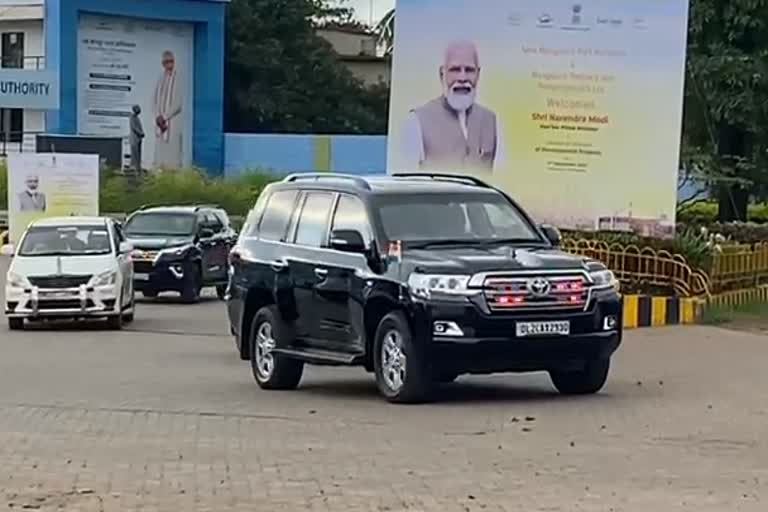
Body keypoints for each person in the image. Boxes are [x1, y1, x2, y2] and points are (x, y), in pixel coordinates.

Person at [399, 40, 505, 173]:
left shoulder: (492, 120)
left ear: (478, 74)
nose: (462, 78)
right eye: (455, 70)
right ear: (442, 74)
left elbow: (500, 178)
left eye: (469, 70)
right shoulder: (417, 121)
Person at [153, 50, 184, 169]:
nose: (169, 64)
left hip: (173, 122)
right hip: (160, 123)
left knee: (173, 157)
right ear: (163, 64)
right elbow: (154, 99)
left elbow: (178, 103)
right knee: (160, 155)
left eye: (171, 61)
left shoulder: (178, 78)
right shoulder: (160, 79)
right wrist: (158, 116)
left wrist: (165, 117)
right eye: (166, 62)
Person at [129, 104, 145, 173]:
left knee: (138, 154)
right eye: (138, 109)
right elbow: (134, 127)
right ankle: (134, 167)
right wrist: (140, 133)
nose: (139, 110)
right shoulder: (132, 117)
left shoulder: (137, 118)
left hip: (139, 139)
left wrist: (142, 133)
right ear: (135, 110)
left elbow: (139, 127)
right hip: (134, 138)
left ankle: (138, 168)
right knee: (135, 154)